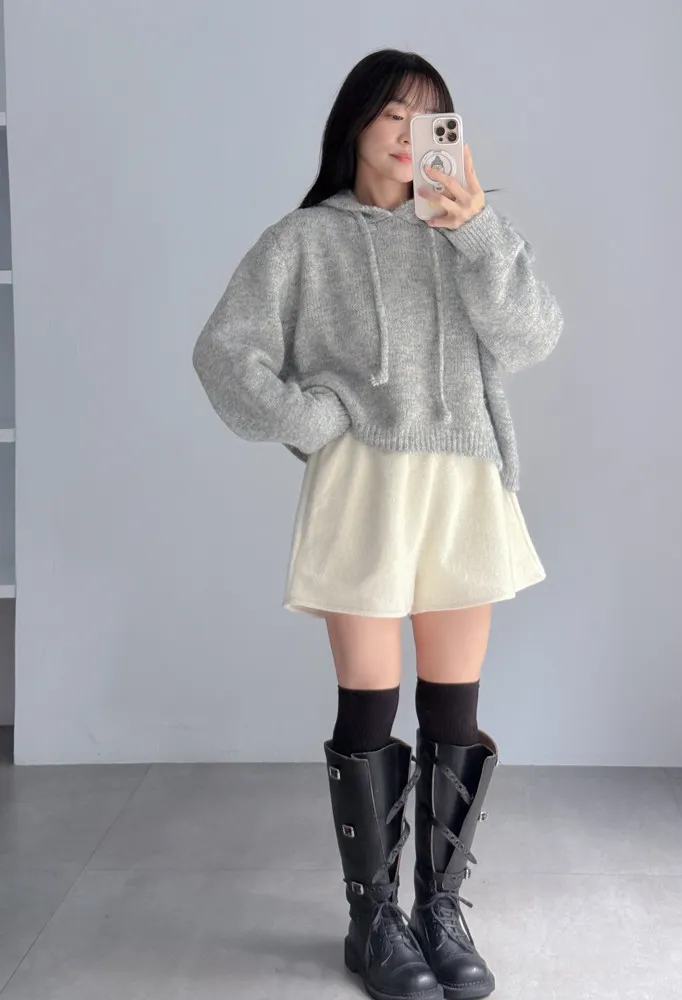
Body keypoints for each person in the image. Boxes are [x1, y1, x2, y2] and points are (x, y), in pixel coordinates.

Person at [193, 47, 563, 1000]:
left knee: (454, 707)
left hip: (465, 481)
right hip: (364, 487)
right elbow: (225, 354)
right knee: (369, 701)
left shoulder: (468, 233)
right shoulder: (303, 241)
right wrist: (312, 421)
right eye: (393, 114)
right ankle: (373, 921)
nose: (409, 135)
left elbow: (533, 337)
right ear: (356, 122)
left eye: (430, 118)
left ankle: (440, 910)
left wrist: (476, 228)